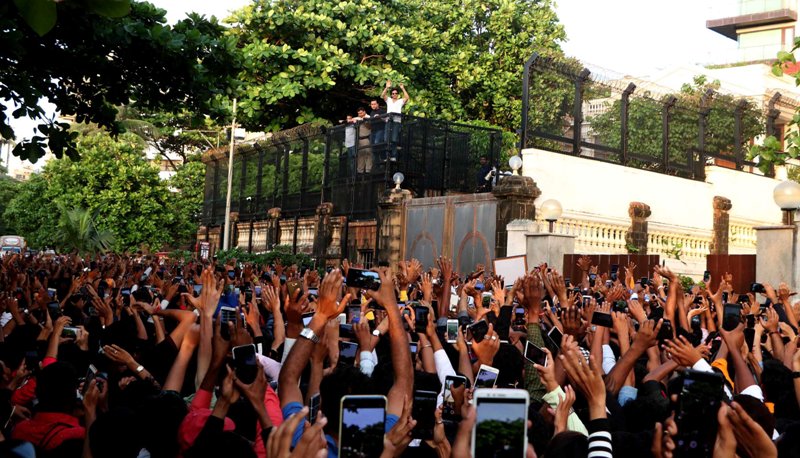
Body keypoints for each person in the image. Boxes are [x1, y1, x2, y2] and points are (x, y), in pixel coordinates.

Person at [381, 80, 410, 161]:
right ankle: (387, 156)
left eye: (396, 93)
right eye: (393, 93)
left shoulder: (400, 101)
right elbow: (382, 95)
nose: (394, 94)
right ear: (391, 94)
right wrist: (387, 87)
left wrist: (403, 88)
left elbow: (407, 98)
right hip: (388, 121)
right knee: (386, 139)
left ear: (398, 94)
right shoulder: (389, 100)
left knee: (394, 139)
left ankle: (393, 156)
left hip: (396, 121)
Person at [353, 107, 372, 174]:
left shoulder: (368, 117)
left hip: (366, 138)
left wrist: (364, 121)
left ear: (364, 112)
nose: (360, 114)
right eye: (358, 113)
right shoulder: (357, 118)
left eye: (361, 113)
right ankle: (360, 170)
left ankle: (368, 169)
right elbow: (352, 120)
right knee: (360, 155)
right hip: (358, 139)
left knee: (368, 153)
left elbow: (370, 126)